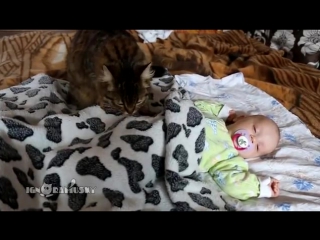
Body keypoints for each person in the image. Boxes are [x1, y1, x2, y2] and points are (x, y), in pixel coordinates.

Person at [194, 100, 281, 201]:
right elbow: (198, 105)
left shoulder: (231, 159)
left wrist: (261, 187)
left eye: (257, 147)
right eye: (255, 129)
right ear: (240, 118)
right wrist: (222, 112)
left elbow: (234, 183)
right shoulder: (217, 119)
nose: (253, 139)